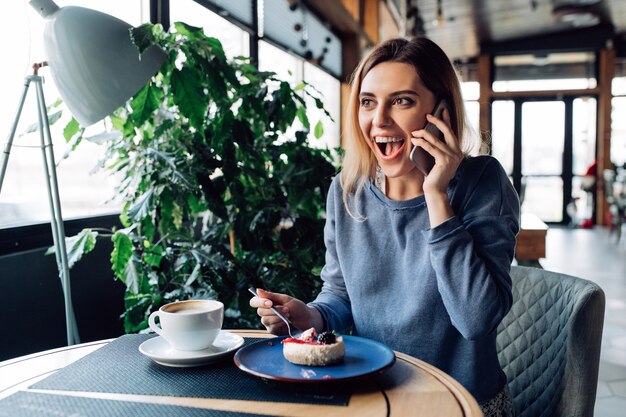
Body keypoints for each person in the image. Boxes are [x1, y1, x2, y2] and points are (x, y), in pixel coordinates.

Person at [250, 37, 520, 417]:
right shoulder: (346, 191)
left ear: (440, 110)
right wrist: (307, 316)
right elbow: (341, 296)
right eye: (368, 102)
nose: (379, 120)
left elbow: (475, 320)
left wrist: (436, 195)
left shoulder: (482, 182)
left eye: (402, 101)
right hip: (371, 397)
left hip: (461, 404)